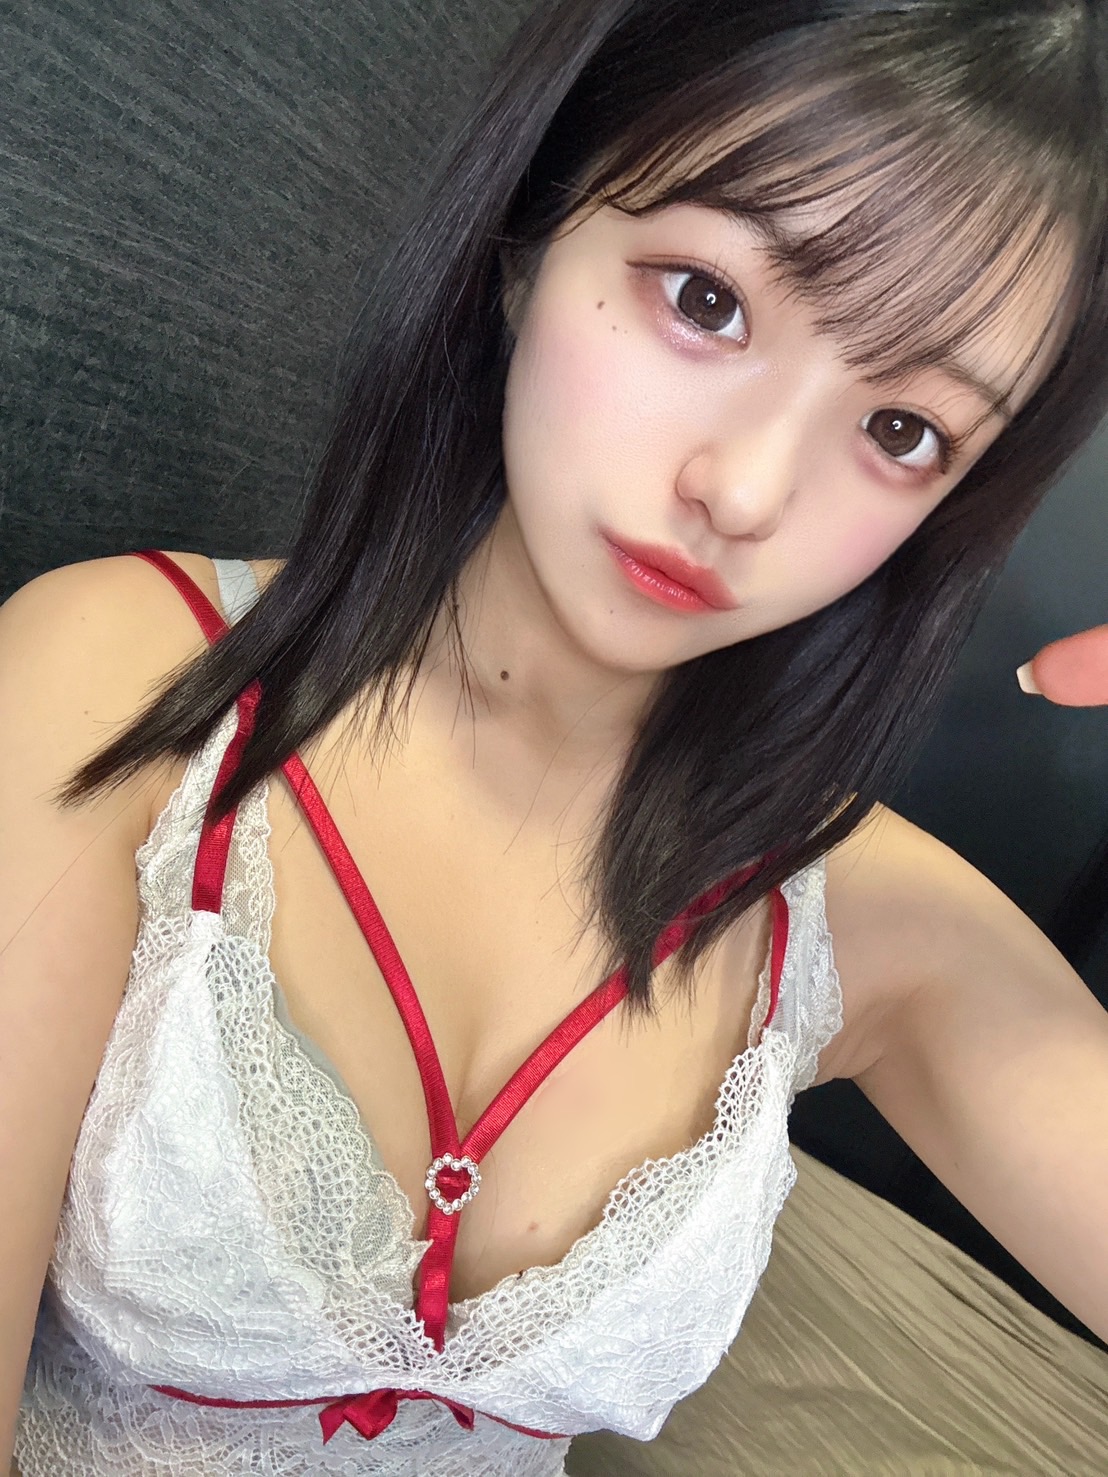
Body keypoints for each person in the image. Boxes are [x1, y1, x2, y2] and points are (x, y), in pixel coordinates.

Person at [2, 0, 1107, 1472]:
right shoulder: (120, 685)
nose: (746, 491)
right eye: (706, 300)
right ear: (531, 236)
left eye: (903, 430)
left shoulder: (869, 919)